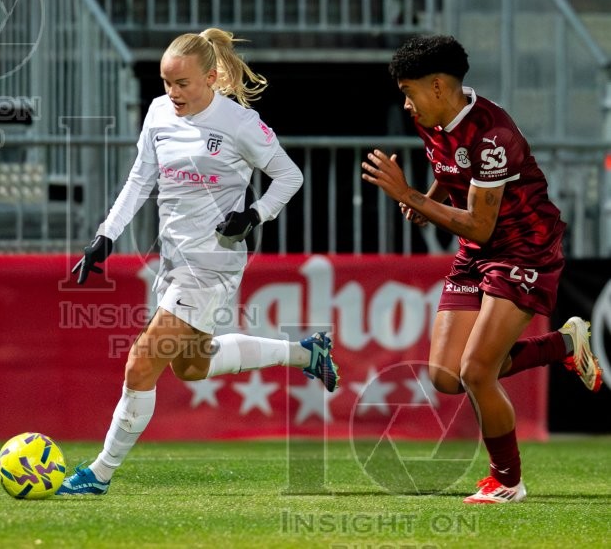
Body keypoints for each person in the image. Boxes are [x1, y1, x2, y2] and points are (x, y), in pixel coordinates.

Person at [58, 28, 339, 496]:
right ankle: (307, 352)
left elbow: (290, 175)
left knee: (140, 364)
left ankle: (99, 474)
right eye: (167, 83)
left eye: (183, 84)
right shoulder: (157, 113)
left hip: (212, 263)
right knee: (191, 367)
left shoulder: (240, 122)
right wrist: (105, 236)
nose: (173, 93)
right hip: (173, 260)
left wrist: (254, 214)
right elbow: (139, 180)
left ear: (210, 77)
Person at [362, 34, 603, 504]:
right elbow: (451, 163)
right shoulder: (433, 115)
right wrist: (430, 199)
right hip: (477, 251)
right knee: (445, 376)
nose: (406, 106)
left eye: (408, 93)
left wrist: (408, 195)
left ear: (436, 87)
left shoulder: (495, 136)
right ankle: (562, 343)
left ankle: (508, 481)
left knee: (477, 372)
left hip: (524, 250)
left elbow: (481, 221)